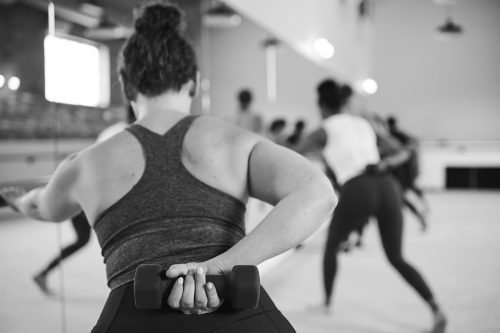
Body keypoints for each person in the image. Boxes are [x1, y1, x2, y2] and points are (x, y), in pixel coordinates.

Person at [0, 3, 336, 332]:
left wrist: (15, 198)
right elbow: (318, 193)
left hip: (130, 317)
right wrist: (221, 265)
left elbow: (40, 205)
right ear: (193, 81)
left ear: (126, 84)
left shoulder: (84, 164)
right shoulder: (235, 140)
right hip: (239, 309)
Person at [295, 79, 446, 333]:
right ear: (344, 102)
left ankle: (327, 303)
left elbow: (293, 152)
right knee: (397, 257)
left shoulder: (322, 129)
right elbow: (404, 151)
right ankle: (436, 308)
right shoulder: (364, 123)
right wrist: (385, 164)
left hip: (357, 189)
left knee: (332, 245)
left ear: (321, 105)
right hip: (387, 186)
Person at [31, 104, 137, 294]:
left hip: (90, 194)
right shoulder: (128, 134)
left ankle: (43, 273)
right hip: (95, 197)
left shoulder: (114, 131)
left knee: (83, 240)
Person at [386, 115, 429, 230]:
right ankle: (421, 215)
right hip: (398, 174)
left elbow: (412, 146)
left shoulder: (396, 136)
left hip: (399, 175)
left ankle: (421, 216)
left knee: (403, 199)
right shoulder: (395, 136)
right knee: (404, 198)